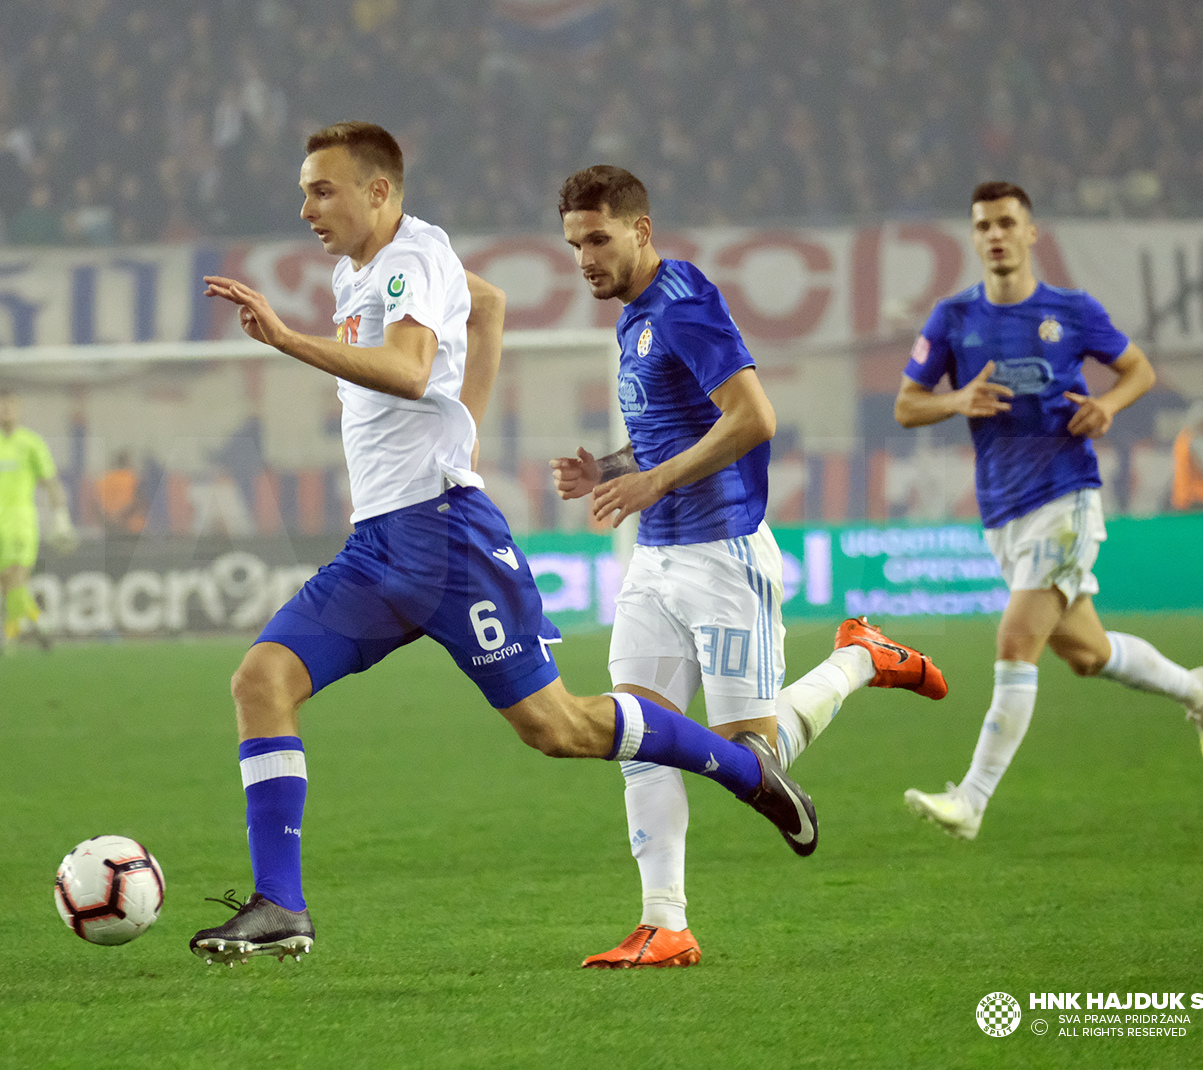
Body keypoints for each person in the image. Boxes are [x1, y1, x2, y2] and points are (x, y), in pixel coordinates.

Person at [188, 122, 819, 969]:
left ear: (379, 191)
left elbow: (412, 370)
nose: (306, 207)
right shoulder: (362, 270)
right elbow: (487, 307)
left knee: (558, 730)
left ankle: (746, 771)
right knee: (261, 680)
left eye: (321, 189)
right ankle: (281, 906)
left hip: (447, 543)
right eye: (305, 190)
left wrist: (287, 337)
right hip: (379, 545)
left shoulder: (411, 258)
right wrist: (466, 434)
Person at [550, 165, 948, 969]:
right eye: (573, 244)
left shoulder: (686, 304)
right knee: (638, 737)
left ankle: (859, 658)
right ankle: (665, 922)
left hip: (725, 556)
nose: (585, 257)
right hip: (657, 561)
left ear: (641, 230)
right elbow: (674, 436)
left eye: (598, 238)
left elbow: (755, 416)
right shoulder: (632, 321)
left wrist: (652, 480)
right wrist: (615, 469)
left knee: (756, 763)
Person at [895, 181, 1203, 841]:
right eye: (983, 225)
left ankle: (972, 800)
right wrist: (956, 401)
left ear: (1030, 233)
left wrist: (1108, 405)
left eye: (1005, 223)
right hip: (1003, 511)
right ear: (974, 237)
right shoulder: (953, 317)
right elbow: (909, 404)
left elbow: (1138, 370)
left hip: (1068, 495)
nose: (994, 234)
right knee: (1087, 653)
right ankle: (1197, 689)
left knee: (1016, 639)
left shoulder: (1071, 311)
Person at [0, 389, 76, 653]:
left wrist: (61, 517)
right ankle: (39, 623)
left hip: (21, 521)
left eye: (9, 406)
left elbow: (51, 482)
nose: (5, 412)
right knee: (5, 585)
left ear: (18, 410)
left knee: (16, 577)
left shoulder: (31, 443)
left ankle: (7, 638)